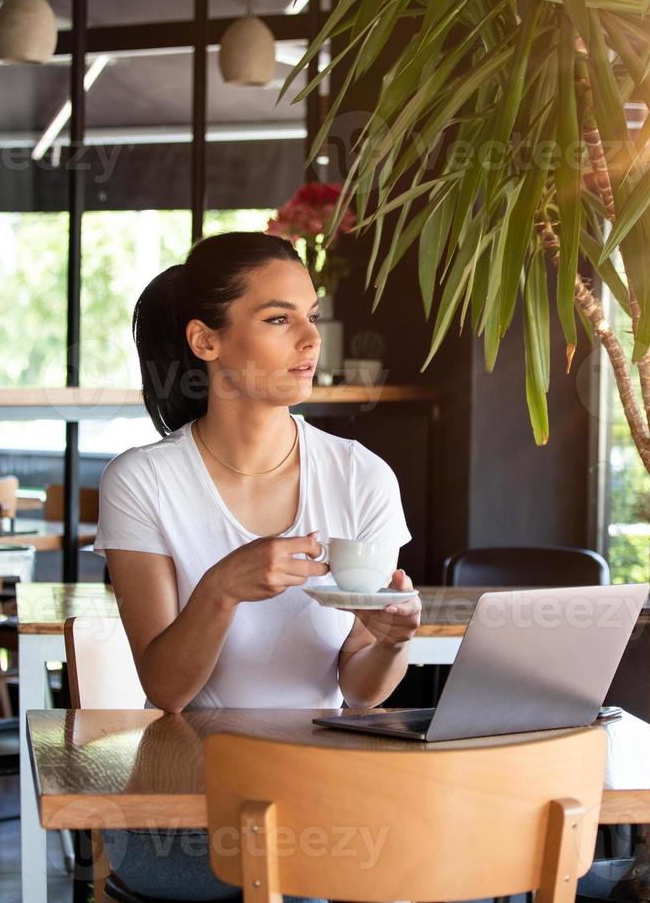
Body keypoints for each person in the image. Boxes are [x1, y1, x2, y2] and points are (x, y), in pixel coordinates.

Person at [91, 231, 421, 901]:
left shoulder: (363, 479)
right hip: (185, 814)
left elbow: (362, 690)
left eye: (309, 313)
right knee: (308, 878)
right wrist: (220, 589)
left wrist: (390, 644)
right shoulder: (142, 481)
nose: (310, 337)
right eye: (278, 319)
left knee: (414, 860)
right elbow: (167, 691)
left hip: (323, 790)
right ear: (205, 342)